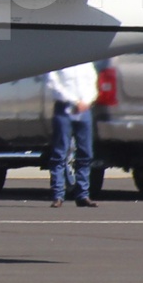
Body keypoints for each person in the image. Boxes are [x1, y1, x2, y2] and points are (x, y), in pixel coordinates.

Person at [41, 62, 100, 208]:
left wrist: (86, 101)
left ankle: (83, 195)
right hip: (64, 108)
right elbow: (52, 84)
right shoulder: (60, 61)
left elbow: (93, 82)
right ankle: (58, 195)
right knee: (60, 153)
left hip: (84, 110)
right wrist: (74, 101)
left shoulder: (87, 63)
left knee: (85, 153)